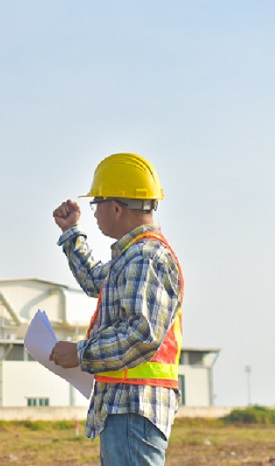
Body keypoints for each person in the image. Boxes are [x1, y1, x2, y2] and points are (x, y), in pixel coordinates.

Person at [50, 152, 184, 466]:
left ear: (116, 207)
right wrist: (71, 233)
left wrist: (81, 353)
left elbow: (140, 334)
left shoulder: (144, 257)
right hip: (127, 405)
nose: (94, 212)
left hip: (134, 405)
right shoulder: (133, 257)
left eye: (97, 203)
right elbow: (97, 281)